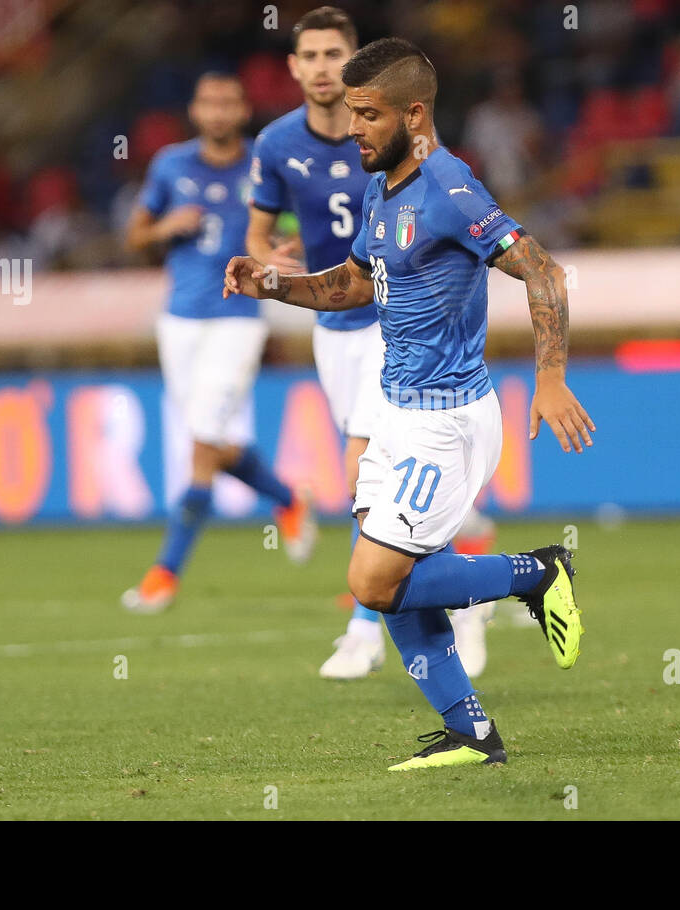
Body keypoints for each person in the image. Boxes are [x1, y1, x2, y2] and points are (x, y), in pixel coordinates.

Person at [224, 39, 594, 770]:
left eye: (365, 114)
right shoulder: (380, 185)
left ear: (413, 113)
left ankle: (541, 572)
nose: (351, 127)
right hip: (395, 409)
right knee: (395, 585)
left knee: (372, 581)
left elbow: (544, 271)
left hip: (447, 419)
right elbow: (355, 285)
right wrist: (272, 284)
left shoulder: (451, 189)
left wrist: (550, 377)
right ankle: (470, 733)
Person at [246, 8, 495, 680]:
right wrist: (268, 266)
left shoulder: (393, 141)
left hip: (398, 329)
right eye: (311, 55)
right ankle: (466, 578)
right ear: (293, 67)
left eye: (336, 54)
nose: (324, 66)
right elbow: (260, 235)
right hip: (335, 328)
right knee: (375, 485)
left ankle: (365, 627)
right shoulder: (274, 145)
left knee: (364, 473)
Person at [122, 72, 315, 614]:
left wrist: (286, 243)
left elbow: (303, 219)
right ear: (195, 109)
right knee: (211, 440)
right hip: (179, 319)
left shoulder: (264, 162)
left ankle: (164, 573)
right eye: (209, 102)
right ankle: (286, 497)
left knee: (203, 444)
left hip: (239, 316)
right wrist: (165, 229)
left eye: (229, 101)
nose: (219, 111)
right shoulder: (170, 165)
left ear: (243, 109)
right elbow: (136, 234)